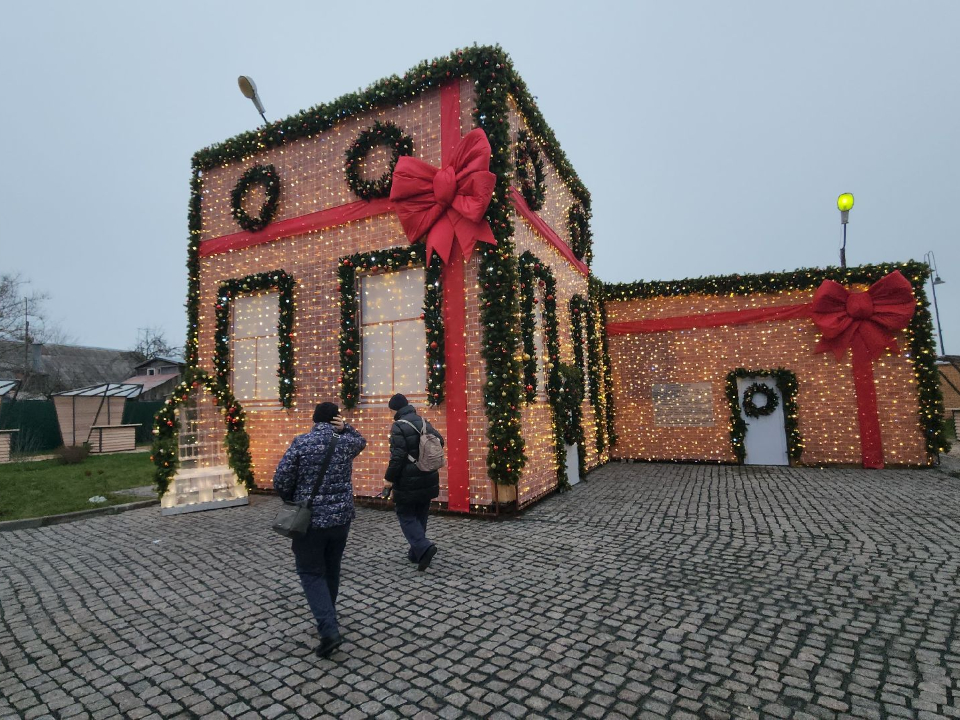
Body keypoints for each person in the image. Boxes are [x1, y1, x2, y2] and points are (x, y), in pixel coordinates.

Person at [273, 402, 366, 659]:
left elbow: (281, 479)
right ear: (336, 419)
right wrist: (347, 428)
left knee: (310, 572)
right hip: (341, 520)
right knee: (331, 568)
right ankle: (329, 615)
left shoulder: (302, 443)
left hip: (310, 522)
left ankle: (328, 629)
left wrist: (293, 497)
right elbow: (362, 441)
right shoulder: (346, 442)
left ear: (314, 419)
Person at [382, 393, 443, 571]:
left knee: (406, 515)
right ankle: (416, 552)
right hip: (428, 475)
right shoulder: (423, 421)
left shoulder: (398, 426)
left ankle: (424, 547)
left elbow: (398, 457)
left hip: (408, 480)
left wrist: (389, 479)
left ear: (394, 409)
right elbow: (440, 441)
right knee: (421, 514)